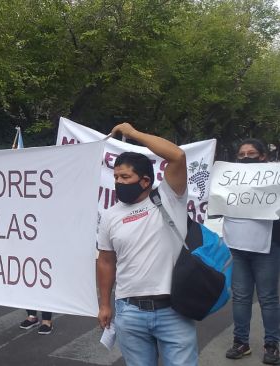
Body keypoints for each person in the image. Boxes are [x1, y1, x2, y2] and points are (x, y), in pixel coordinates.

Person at [96, 122, 194, 365]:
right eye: (116, 176)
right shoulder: (110, 214)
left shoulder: (170, 197)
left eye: (125, 176)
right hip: (129, 312)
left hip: (174, 310)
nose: (118, 181)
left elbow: (178, 156)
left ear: (145, 180)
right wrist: (105, 304)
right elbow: (106, 261)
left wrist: (134, 133)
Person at [222, 139, 280, 364]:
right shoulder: (228, 180)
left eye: (252, 153)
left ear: (263, 156)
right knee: (241, 298)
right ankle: (241, 342)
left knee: (268, 298)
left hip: (267, 248)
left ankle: (272, 345)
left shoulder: (275, 178)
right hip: (238, 248)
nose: (246, 157)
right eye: (242, 154)